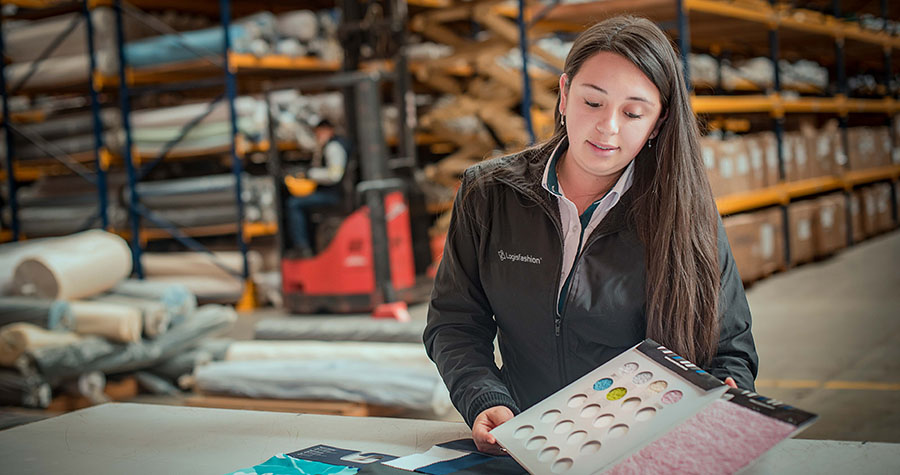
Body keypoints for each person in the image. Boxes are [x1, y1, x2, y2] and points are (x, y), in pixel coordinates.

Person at [423, 16, 758, 455]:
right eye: (593, 102)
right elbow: (455, 321)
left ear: (658, 122)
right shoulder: (488, 194)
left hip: (644, 449)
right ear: (564, 95)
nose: (608, 127)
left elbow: (728, 346)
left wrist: (728, 392)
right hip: (526, 445)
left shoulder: (684, 211)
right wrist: (485, 398)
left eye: (633, 112)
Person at [284, 119, 349, 255]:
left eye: (320, 132)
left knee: (294, 204)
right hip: (329, 192)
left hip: (334, 195)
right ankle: (308, 245)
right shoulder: (324, 146)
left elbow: (334, 176)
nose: (318, 135)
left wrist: (310, 174)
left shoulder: (334, 148)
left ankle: (302, 247)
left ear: (329, 131)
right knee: (299, 203)